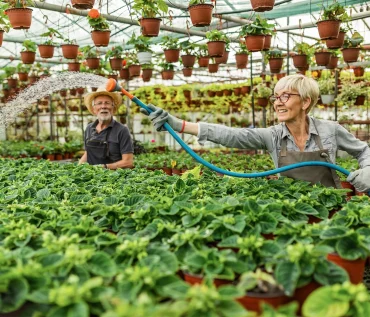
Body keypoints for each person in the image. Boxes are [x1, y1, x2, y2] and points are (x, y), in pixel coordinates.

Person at [141, 74, 370, 192]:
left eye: (285, 96)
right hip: (291, 206)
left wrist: (367, 170)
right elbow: (231, 135)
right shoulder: (272, 135)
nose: (277, 103)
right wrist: (179, 124)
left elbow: (363, 151)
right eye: (275, 97)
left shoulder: (331, 130)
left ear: (305, 101)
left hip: (330, 204)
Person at [79, 88, 134, 169]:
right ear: (94, 109)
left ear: (113, 108)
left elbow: (128, 162)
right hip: (92, 177)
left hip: (115, 178)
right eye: (99, 103)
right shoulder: (89, 128)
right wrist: (77, 168)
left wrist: (103, 167)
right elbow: (87, 153)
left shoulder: (122, 130)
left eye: (107, 103)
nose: (103, 106)